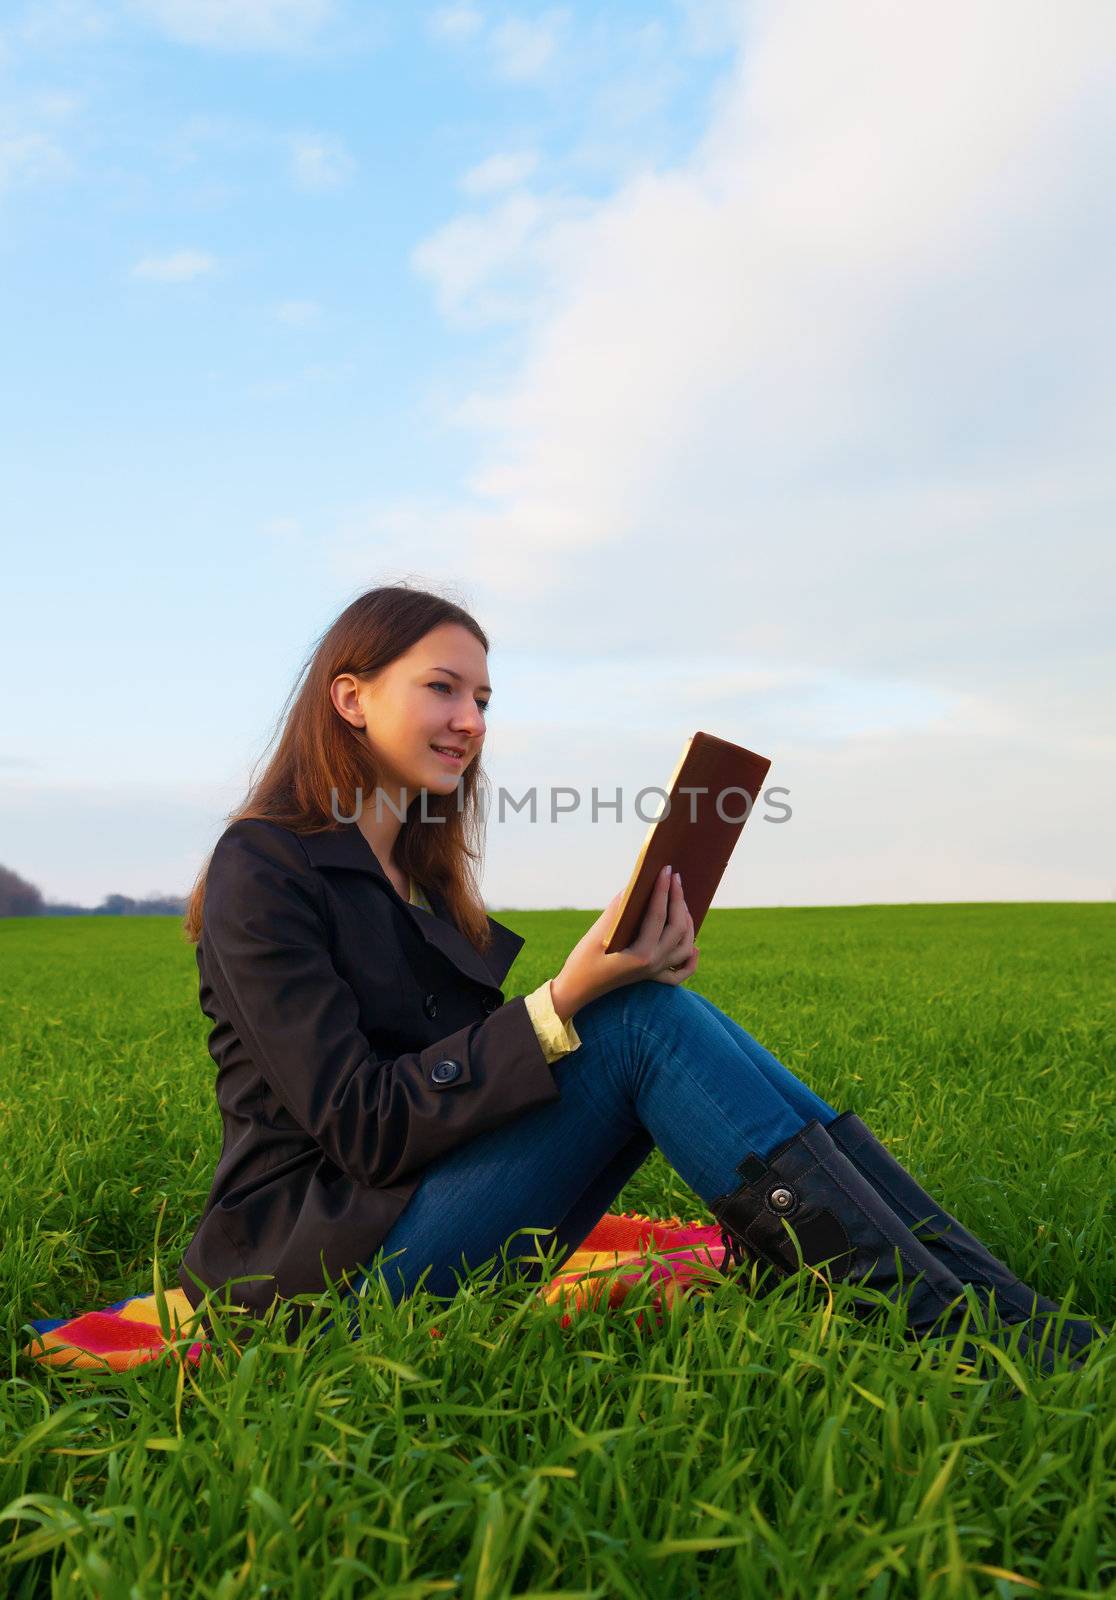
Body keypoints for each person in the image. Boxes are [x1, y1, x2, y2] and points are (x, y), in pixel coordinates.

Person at [178, 583, 1103, 1366]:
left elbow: (459, 1095)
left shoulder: (415, 883)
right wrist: (567, 1002)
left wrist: (600, 989)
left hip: (404, 1223)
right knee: (633, 1024)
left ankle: (990, 1305)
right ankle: (943, 1333)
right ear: (350, 698)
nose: (470, 721)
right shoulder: (263, 867)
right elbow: (366, 1127)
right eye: (442, 689)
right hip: (310, 1283)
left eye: (485, 700)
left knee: (644, 1006)